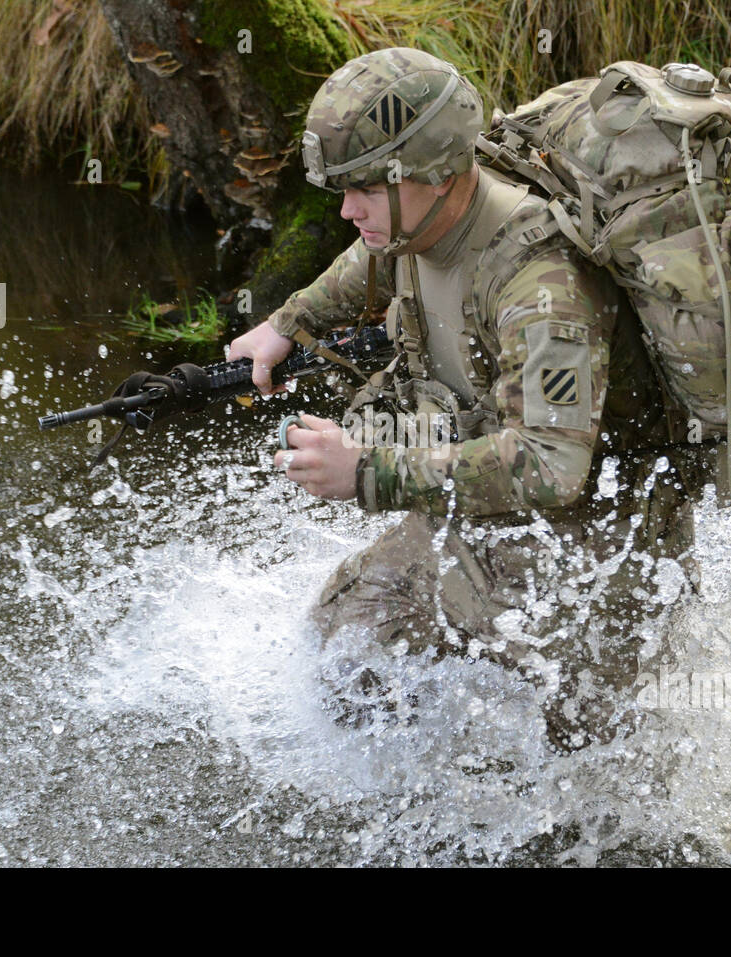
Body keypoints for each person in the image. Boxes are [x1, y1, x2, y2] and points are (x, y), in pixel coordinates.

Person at [227, 47, 695, 750]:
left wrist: (366, 470)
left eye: (364, 189)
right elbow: (371, 257)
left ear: (440, 175)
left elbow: (550, 466)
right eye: (342, 189)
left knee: (593, 772)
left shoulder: (540, 282)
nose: (348, 210)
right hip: (488, 521)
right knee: (343, 642)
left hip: (597, 551)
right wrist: (290, 323)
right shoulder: (414, 219)